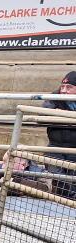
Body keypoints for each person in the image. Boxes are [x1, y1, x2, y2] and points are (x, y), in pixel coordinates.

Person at [42, 71, 76, 199]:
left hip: (74, 149)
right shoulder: (55, 97)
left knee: (73, 180)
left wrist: (60, 114)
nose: (64, 91)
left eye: (69, 87)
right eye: (62, 87)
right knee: (59, 178)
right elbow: (43, 113)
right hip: (55, 147)